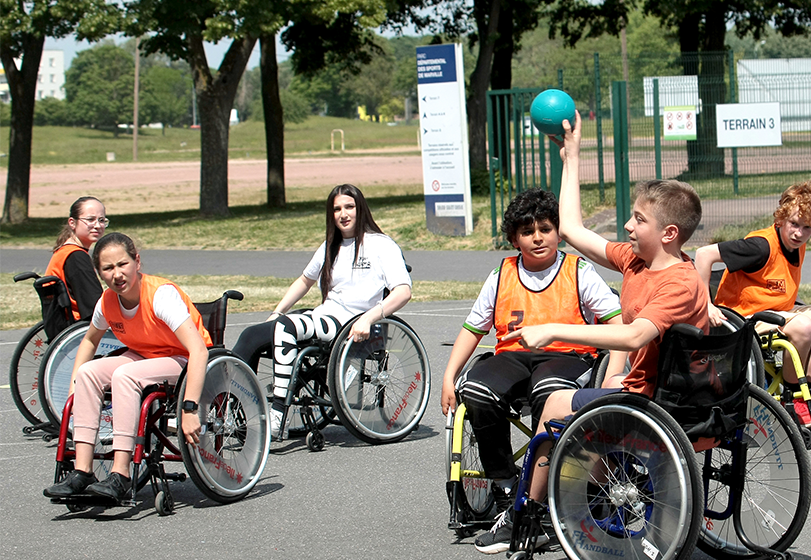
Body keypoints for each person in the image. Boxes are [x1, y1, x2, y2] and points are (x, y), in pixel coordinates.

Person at [489, 111, 709, 548]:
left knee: (553, 405)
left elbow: (631, 336)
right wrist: (572, 158)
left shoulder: (680, 281)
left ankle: (529, 518)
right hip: (650, 390)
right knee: (586, 403)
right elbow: (571, 229)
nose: (628, 226)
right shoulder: (637, 261)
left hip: (660, 402)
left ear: (668, 233)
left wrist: (552, 329)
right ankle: (591, 496)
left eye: (637, 220)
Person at [438, 188, 626, 554]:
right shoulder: (502, 273)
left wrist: (609, 377)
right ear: (514, 238)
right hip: (513, 355)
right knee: (475, 390)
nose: (537, 237)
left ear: (558, 232)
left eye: (545, 228)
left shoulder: (577, 270)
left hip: (567, 354)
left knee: (550, 390)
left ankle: (547, 484)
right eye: (527, 231)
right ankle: (506, 482)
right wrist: (449, 376)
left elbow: (617, 323)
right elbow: (473, 329)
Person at [232, 184, 412, 439]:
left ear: (360, 209)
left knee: (286, 327)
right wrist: (277, 311)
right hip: (324, 317)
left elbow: (403, 291)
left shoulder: (381, 245)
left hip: (352, 323)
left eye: (349, 207)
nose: (343, 214)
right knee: (252, 334)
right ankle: (230, 410)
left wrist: (369, 318)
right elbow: (305, 280)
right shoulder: (330, 245)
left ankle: (278, 414)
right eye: (337, 209)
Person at [43, 232, 212, 502]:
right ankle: (82, 471)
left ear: (137, 262)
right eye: (108, 268)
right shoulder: (107, 301)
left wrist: (189, 408)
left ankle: (120, 473)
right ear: (100, 274)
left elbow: (199, 351)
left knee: (124, 375)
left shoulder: (160, 295)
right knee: (88, 373)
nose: (117, 274)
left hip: (182, 359)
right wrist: (76, 386)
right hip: (143, 356)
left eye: (123, 264)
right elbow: (89, 340)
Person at [694, 181, 811, 428]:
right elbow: (703, 254)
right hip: (744, 315)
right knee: (803, 327)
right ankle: (794, 402)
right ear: (781, 219)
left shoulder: (798, 244)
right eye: (794, 224)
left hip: (778, 311)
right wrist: (705, 305)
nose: (799, 233)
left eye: (807, 228)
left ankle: (809, 400)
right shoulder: (760, 246)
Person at [46, 196, 108, 321]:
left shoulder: (64, 251)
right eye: (90, 220)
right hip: (79, 326)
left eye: (101, 220)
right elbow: (93, 305)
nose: (97, 225)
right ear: (72, 223)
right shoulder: (76, 257)